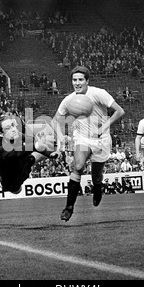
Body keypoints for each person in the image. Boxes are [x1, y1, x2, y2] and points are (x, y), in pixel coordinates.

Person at [52, 66, 125, 222]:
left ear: (87, 81)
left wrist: (104, 127)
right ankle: (69, 207)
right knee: (77, 167)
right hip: (82, 138)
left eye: (80, 80)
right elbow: (55, 120)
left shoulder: (99, 93)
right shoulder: (69, 99)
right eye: (74, 80)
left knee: (96, 175)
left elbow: (120, 111)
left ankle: (97, 187)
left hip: (102, 140)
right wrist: (61, 137)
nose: (77, 83)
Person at [0, 113, 59, 194]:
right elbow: (19, 152)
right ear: (1, 134)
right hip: (11, 180)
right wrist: (37, 145)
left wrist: (50, 154)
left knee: (39, 155)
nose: (13, 129)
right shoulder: (0, 150)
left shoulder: (16, 134)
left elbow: (32, 141)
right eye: (8, 128)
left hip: (22, 165)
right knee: (16, 191)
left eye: (13, 125)